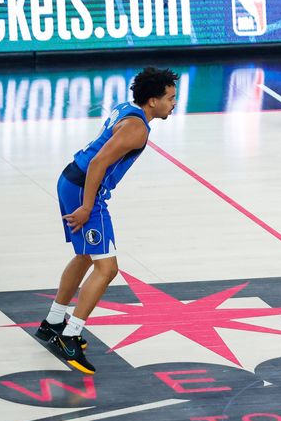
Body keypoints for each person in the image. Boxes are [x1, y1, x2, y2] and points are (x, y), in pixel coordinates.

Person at [34, 67, 179, 375]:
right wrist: (88, 206)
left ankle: (52, 322)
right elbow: (99, 163)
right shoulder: (136, 129)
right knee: (107, 268)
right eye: (170, 98)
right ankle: (70, 335)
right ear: (152, 101)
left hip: (71, 178)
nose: (174, 103)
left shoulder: (127, 110)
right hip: (86, 190)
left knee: (86, 255)